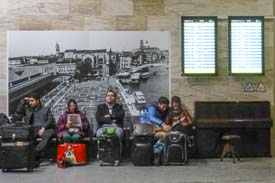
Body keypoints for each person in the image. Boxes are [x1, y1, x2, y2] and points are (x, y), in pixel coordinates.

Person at [14, 92, 56, 167]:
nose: (30, 103)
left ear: (38, 101)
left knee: (46, 137)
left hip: (46, 128)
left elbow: (50, 120)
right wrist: (22, 101)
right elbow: (17, 115)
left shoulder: (46, 109)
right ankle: (33, 159)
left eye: (32, 100)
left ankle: (34, 155)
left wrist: (43, 128)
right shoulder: (28, 110)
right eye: (29, 101)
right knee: (28, 138)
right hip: (33, 129)